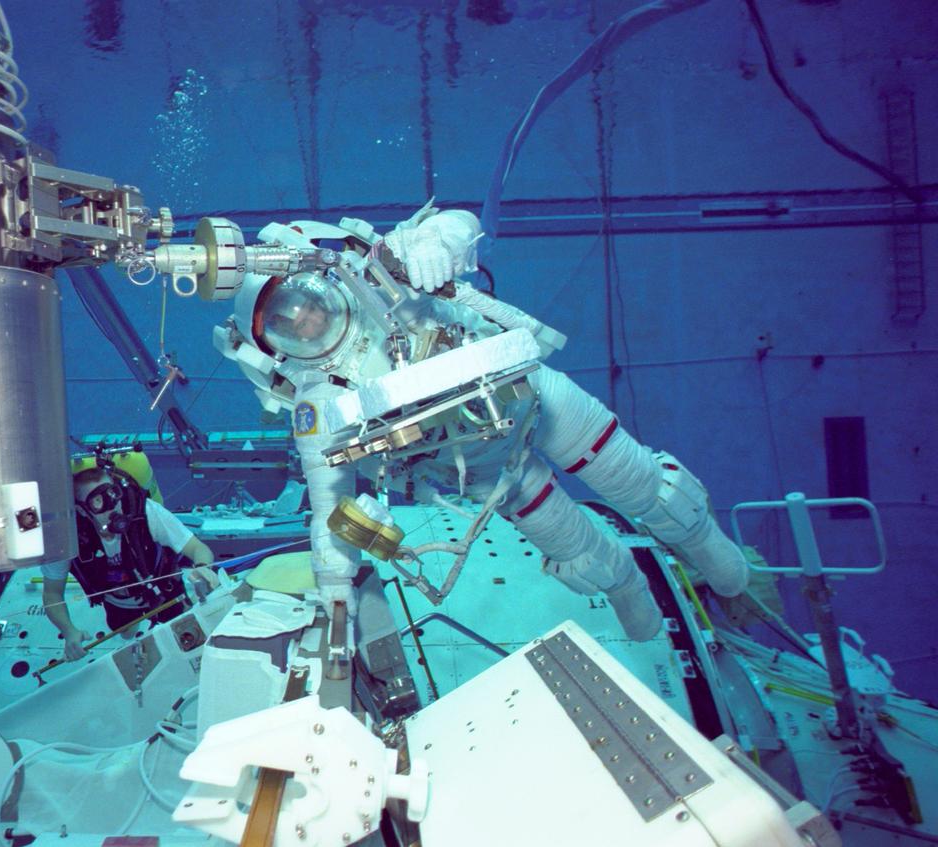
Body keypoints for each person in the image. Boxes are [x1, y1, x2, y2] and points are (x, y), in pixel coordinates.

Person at [221, 206, 749, 642]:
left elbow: (457, 223)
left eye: (302, 303)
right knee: (583, 558)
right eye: (284, 325)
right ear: (276, 353)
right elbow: (328, 512)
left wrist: (436, 244)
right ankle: (629, 590)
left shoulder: (388, 274)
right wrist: (335, 594)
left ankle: (707, 548)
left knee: (651, 494)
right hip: (485, 468)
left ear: (321, 282)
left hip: (538, 404)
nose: (305, 321)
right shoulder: (321, 405)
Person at [41, 466, 216, 660]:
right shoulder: (66, 536)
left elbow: (198, 549)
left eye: (113, 494)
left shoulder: (147, 512)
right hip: (117, 600)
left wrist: (202, 569)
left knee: (186, 636)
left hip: (165, 590)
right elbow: (52, 593)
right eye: (98, 501)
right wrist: (69, 632)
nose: (112, 506)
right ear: (81, 510)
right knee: (125, 633)